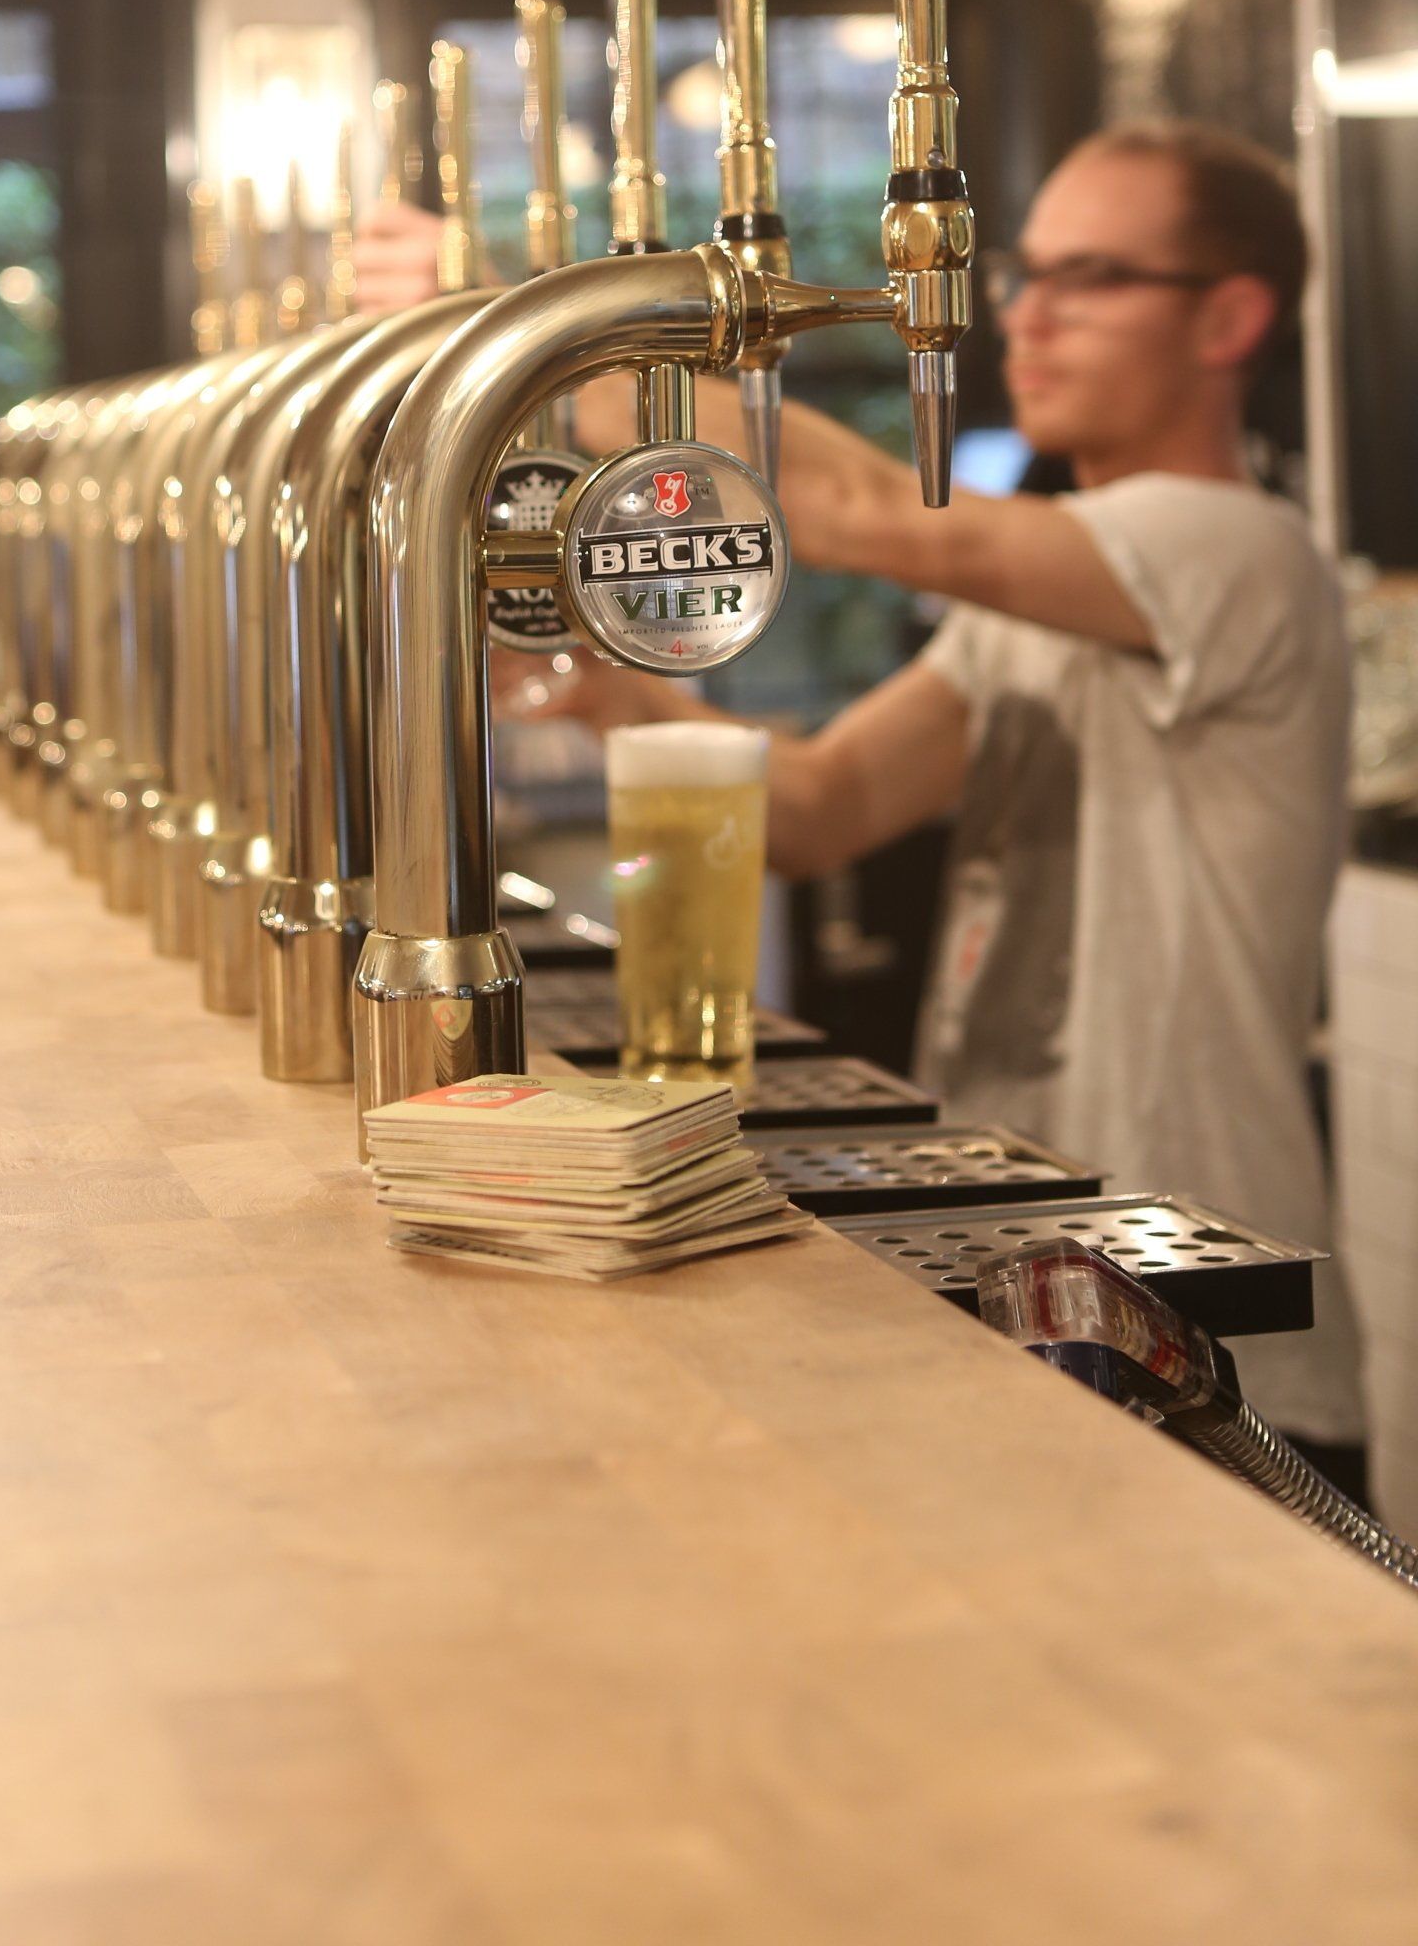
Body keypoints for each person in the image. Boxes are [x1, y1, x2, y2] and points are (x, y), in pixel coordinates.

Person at [355, 120, 1365, 1469]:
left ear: (1229, 315)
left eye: (1093, 277)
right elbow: (823, 807)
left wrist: (533, 337)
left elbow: (856, 507)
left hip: (1212, 1329)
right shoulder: (1058, 601)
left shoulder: (1238, 551)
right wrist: (599, 677)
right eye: (1024, 275)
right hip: (1050, 1276)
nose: (1028, 317)